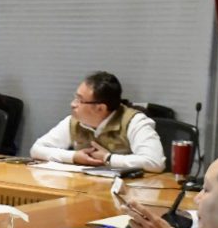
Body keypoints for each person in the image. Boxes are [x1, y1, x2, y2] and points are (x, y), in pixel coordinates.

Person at [29, 71, 165, 172]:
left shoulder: (134, 122)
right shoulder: (73, 121)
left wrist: (108, 158)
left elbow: (155, 162)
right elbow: (37, 150)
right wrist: (74, 157)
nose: (73, 104)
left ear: (100, 108)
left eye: (80, 100)